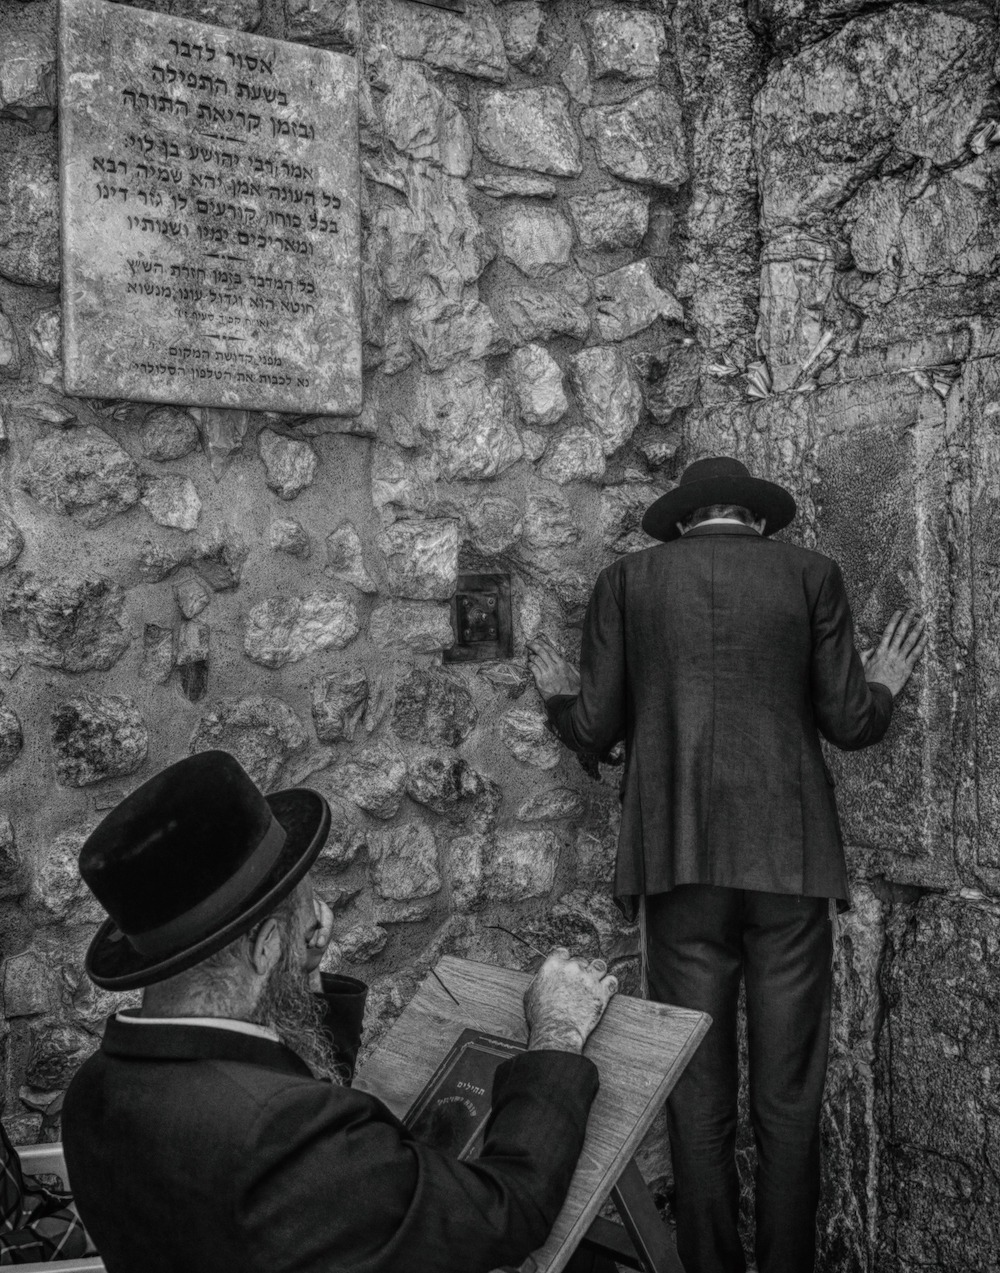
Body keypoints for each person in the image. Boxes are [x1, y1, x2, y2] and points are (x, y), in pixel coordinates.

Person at [527, 456, 926, 1273]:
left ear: (681, 520)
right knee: (788, 1096)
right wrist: (882, 684)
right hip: (790, 867)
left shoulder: (626, 583)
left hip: (678, 869)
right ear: (754, 518)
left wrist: (556, 703)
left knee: (696, 1094)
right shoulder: (811, 574)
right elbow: (850, 721)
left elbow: (595, 726)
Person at [61, 750, 618, 1273]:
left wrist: (302, 970)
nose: (318, 919)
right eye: (305, 905)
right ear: (264, 948)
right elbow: (506, 1211)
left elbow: (265, 1087)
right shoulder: (282, 1136)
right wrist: (557, 1031)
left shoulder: (93, 1091)